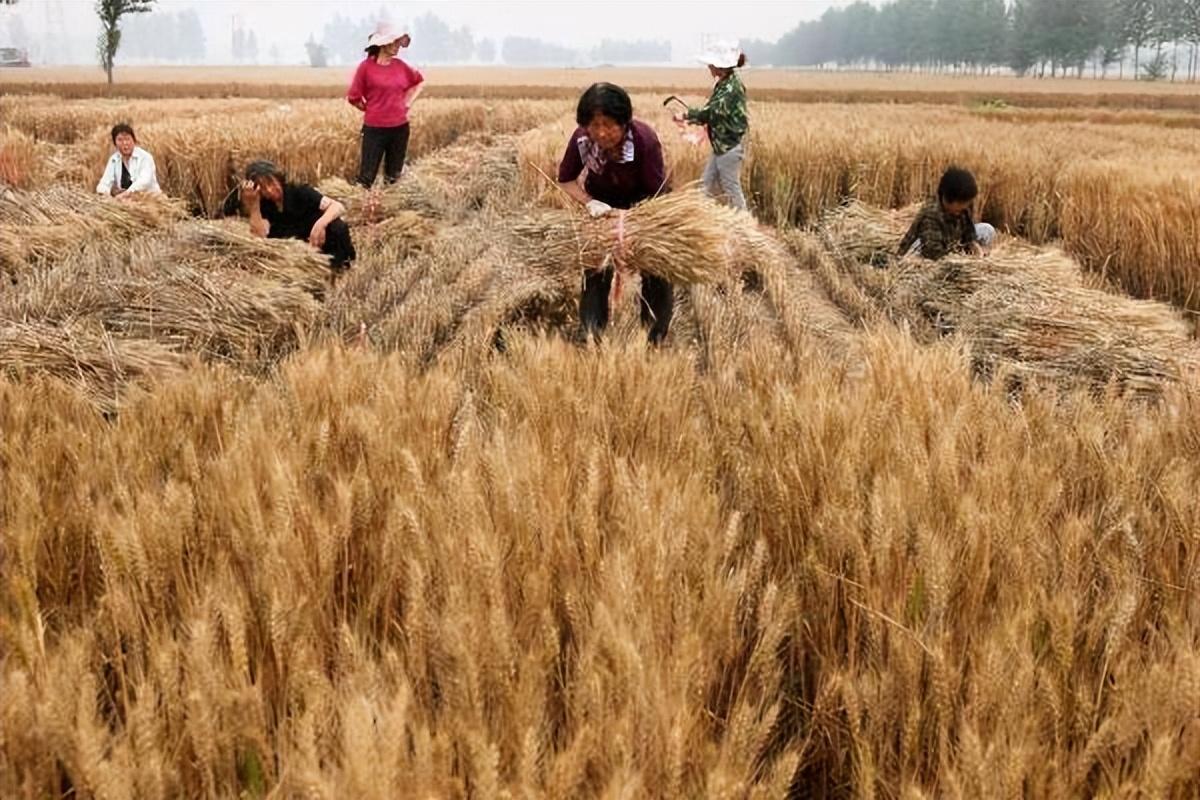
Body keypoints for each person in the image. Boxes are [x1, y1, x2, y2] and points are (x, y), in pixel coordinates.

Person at [558, 83, 673, 346]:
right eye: (594, 125)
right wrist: (590, 203)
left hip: (646, 206)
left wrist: (633, 223)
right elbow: (566, 180)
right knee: (595, 267)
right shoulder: (581, 140)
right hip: (603, 207)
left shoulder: (644, 141)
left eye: (608, 124)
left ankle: (654, 337)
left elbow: (657, 193)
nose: (601, 132)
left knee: (657, 268)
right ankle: (591, 334)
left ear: (624, 122)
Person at [235, 160, 355, 270]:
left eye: (271, 183)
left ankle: (340, 268)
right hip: (296, 254)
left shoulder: (299, 191)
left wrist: (320, 225)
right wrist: (254, 205)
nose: (270, 191)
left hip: (320, 243)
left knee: (338, 227)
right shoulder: (265, 204)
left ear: (278, 177)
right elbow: (260, 236)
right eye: (264, 188)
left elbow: (337, 206)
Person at [347, 22, 424, 188]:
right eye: (394, 42)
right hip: (374, 129)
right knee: (367, 176)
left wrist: (407, 102)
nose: (398, 46)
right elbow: (353, 97)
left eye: (399, 42)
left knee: (394, 177)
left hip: (400, 128)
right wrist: (371, 109)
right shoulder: (365, 68)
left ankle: (391, 211)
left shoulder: (401, 66)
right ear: (382, 44)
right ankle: (362, 210)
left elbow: (419, 82)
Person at [675, 42, 750, 211]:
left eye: (711, 64)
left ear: (719, 66)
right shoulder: (724, 83)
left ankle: (744, 225)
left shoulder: (731, 88)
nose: (709, 67)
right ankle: (701, 220)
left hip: (728, 147)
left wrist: (686, 116)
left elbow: (712, 112)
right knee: (704, 187)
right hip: (721, 147)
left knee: (731, 188)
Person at [897, 167, 996, 260]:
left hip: (952, 241)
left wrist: (974, 246)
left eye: (967, 203)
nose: (965, 207)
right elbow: (934, 254)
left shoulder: (962, 208)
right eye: (962, 204)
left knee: (987, 230)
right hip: (926, 249)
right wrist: (963, 258)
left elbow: (968, 232)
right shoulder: (931, 215)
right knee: (917, 252)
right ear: (948, 198)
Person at [96, 123, 160, 199]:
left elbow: (144, 181)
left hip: (149, 199)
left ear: (134, 141)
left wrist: (125, 194)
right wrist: (105, 194)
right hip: (125, 201)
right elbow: (105, 182)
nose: (125, 143)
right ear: (115, 143)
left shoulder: (145, 157)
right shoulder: (114, 159)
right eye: (120, 140)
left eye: (127, 139)